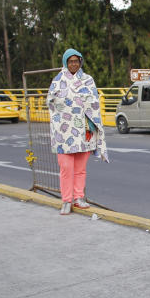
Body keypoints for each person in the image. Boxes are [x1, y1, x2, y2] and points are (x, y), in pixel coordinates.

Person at [47, 48, 109, 215]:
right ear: (66, 63)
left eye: (76, 61)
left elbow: (93, 101)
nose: (74, 64)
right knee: (66, 168)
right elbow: (51, 102)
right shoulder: (58, 81)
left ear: (80, 62)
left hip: (83, 130)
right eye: (71, 61)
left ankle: (78, 197)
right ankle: (66, 200)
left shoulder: (88, 80)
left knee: (80, 168)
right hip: (64, 131)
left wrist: (77, 103)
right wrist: (71, 103)